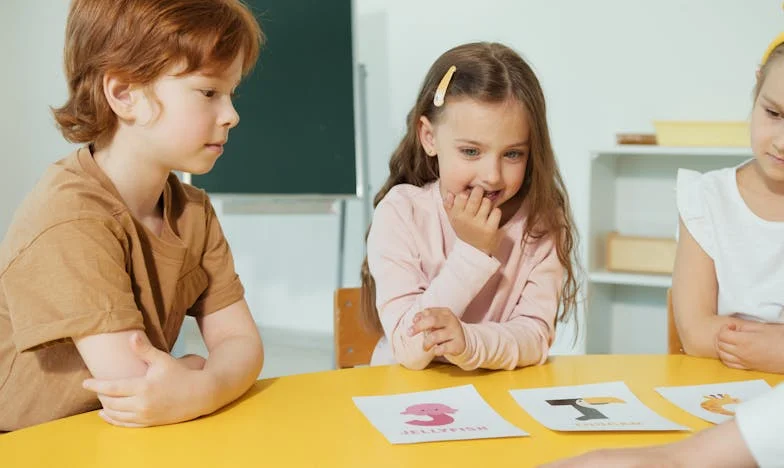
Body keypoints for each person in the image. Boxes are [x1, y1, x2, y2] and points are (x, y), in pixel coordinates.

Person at [0, 0, 265, 431]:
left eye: (230, 94)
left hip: (116, 434)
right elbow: (136, 387)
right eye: (208, 92)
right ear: (125, 94)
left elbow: (242, 343)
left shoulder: (192, 211)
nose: (231, 115)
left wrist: (203, 385)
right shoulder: (71, 218)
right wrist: (199, 373)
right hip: (25, 443)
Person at [360, 42, 579, 371]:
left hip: (493, 394)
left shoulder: (541, 222)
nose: (492, 176)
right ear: (429, 137)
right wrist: (473, 252)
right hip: (406, 394)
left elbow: (534, 337)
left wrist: (470, 342)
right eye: (471, 152)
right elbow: (409, 348)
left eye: (513, 154)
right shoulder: (401, 213)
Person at [672, 31, 784, 374]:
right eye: (773, 113)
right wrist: (768, 347)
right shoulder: (706, 198)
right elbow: (695, 331)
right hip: (722, 386)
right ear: (757, 88)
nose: (781, 142)